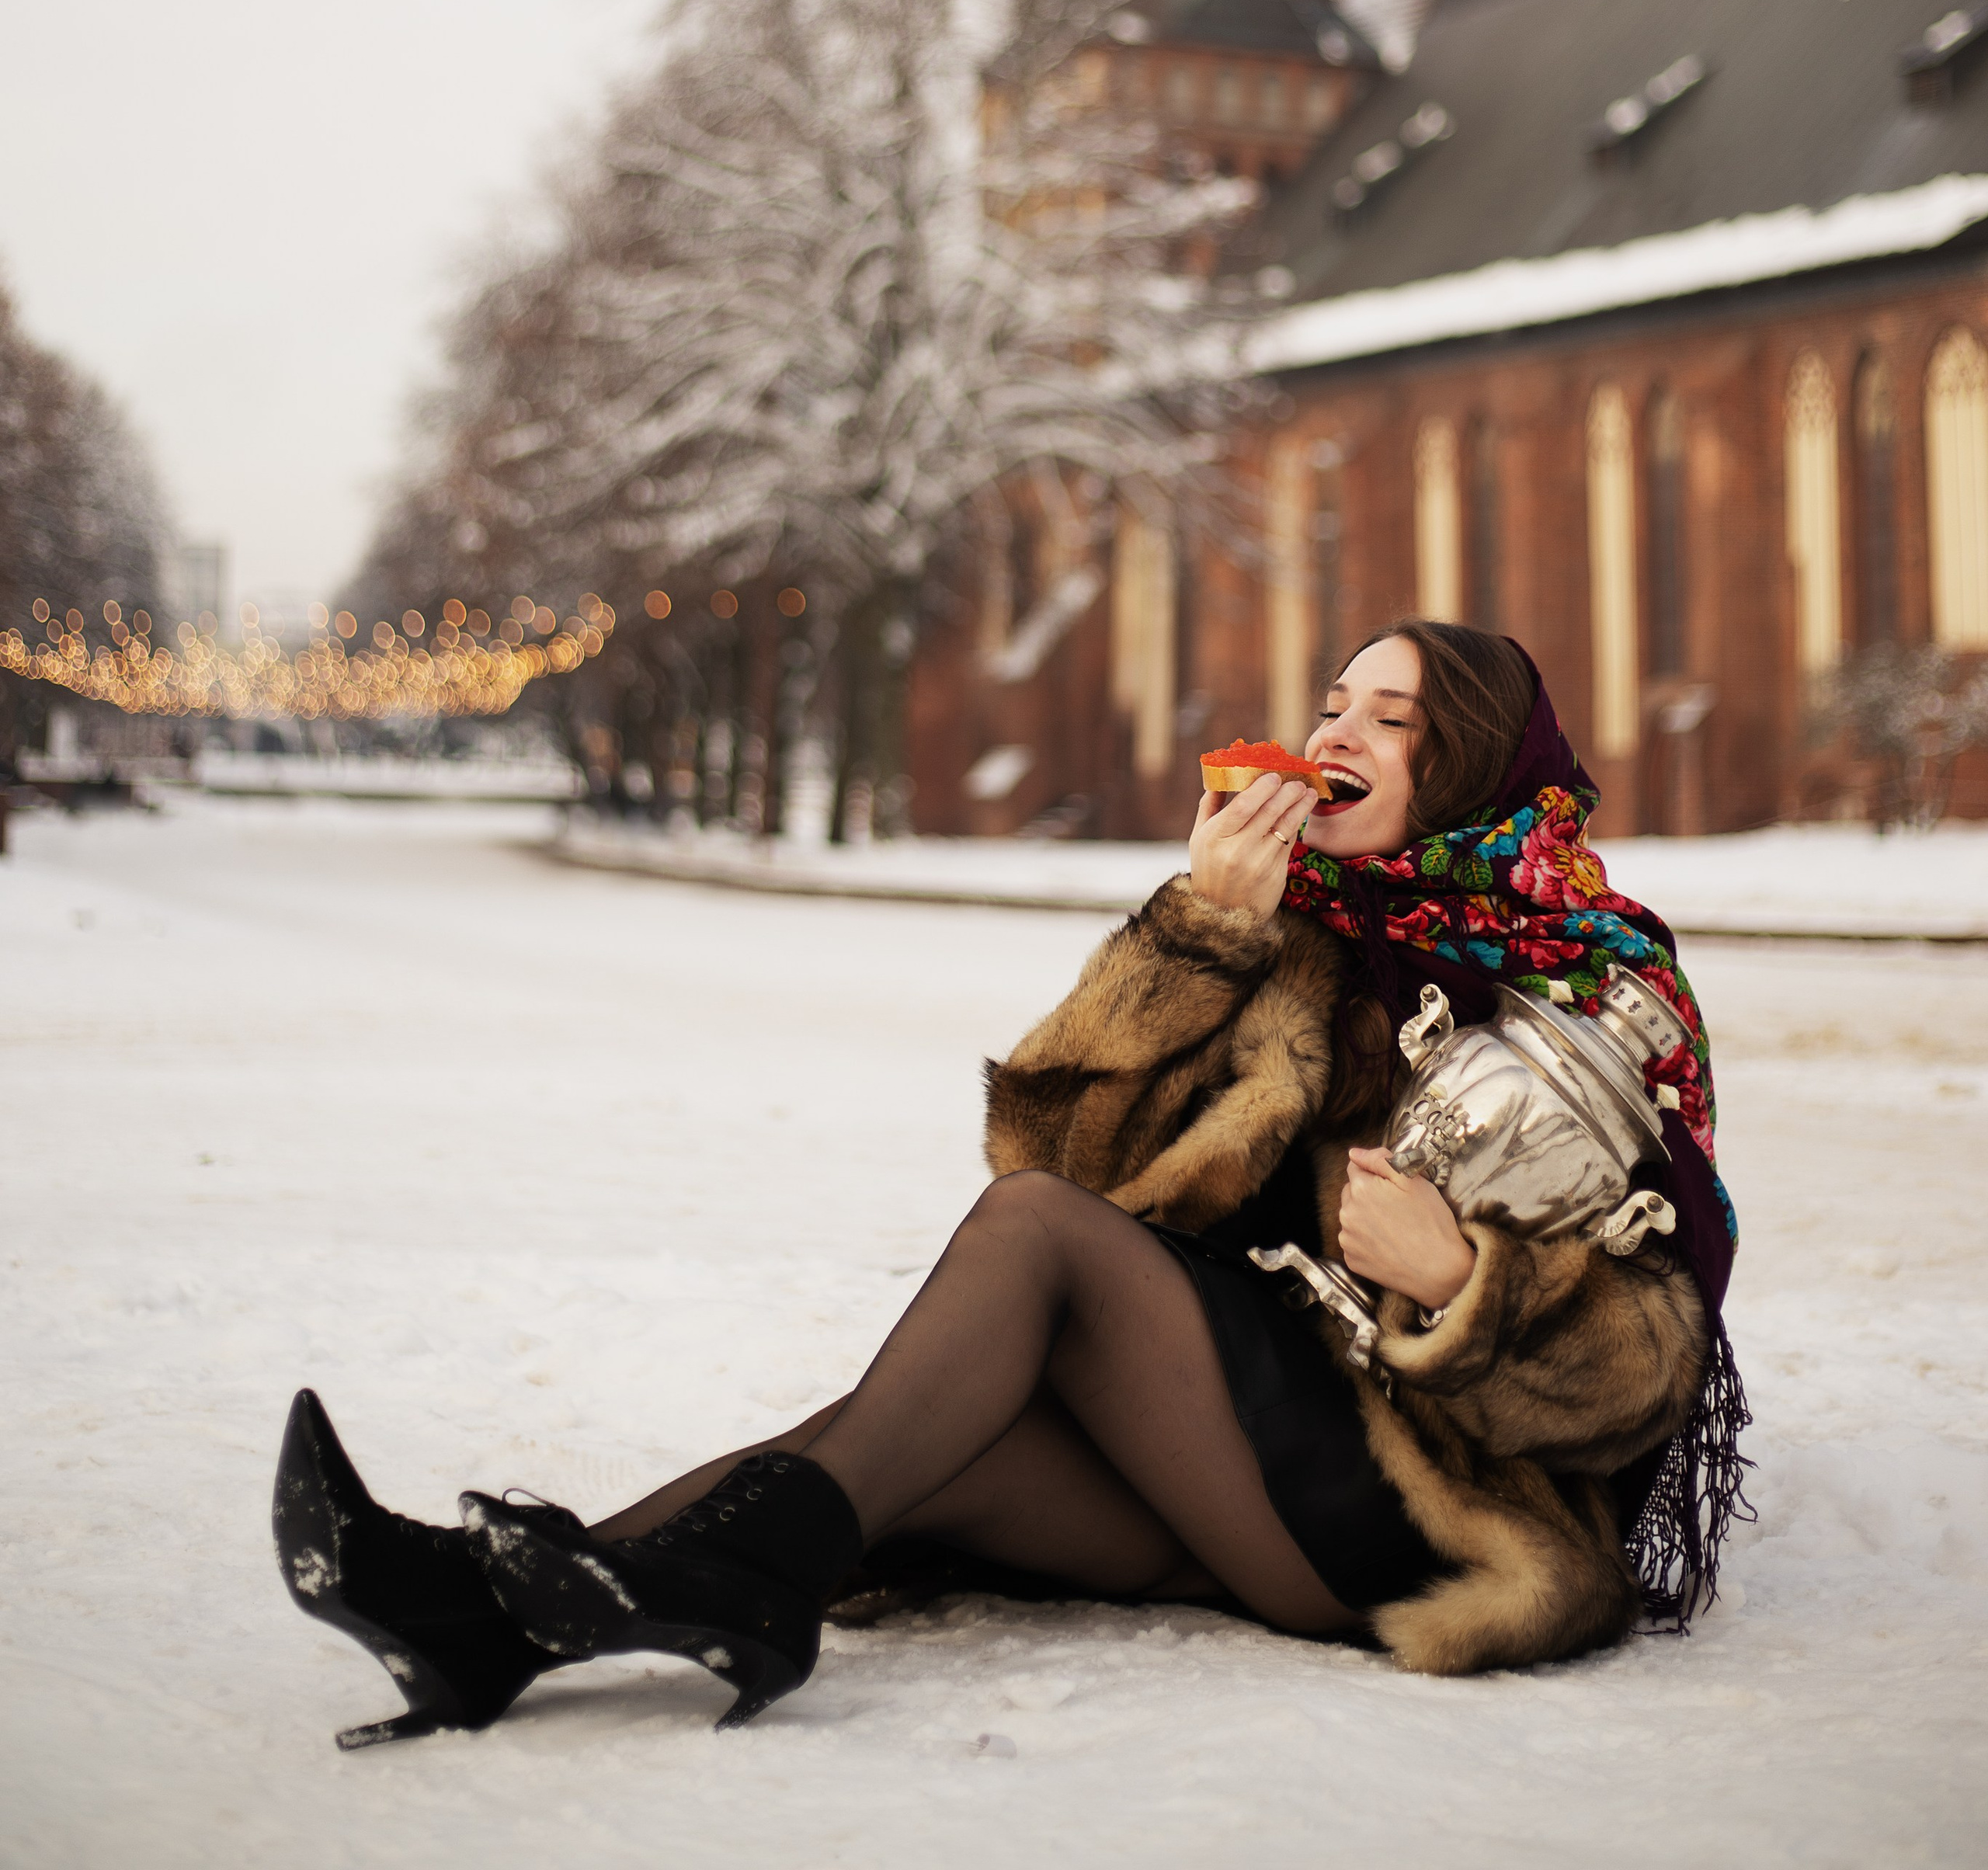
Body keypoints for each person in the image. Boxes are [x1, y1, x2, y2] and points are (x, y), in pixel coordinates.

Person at [273, 619, 1744, 1748]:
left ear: (1476, 758)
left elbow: (1645, 1379)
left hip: (1426, 1517)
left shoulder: (1592, 975)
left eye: (1391, 716)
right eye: (1331, 702)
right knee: (907, 1450)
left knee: (1024, 1260)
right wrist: (1198, 939)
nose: (1336, 730)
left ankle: (726, 1592)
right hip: (1227, 1457)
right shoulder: (1294, 933)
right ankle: (481, 1618)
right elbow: (1064, 1170)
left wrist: (1462, 1283)